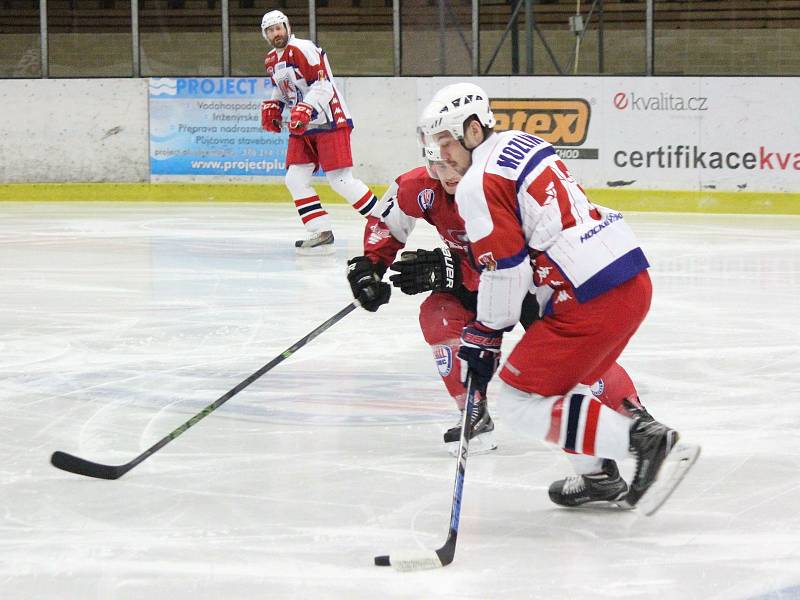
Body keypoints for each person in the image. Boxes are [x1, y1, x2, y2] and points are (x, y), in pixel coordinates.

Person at [416, 82, 700, 512]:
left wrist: (485, 334)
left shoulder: (477, 182)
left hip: (588, 296)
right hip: (628, 275)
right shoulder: (521, 142)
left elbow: (505, 269)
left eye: (446, 141)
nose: (442, 154)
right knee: (561, 387)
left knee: (516, 399)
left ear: (474, 130)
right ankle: (599, 476)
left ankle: (642, 441)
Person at [345, 134, 657, 508]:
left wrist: (453, 273)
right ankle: (472, 410)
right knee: (437, 314)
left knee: (571, 360)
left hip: (525, 282)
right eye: (437, 167)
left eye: (450, 165)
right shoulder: (419, 188)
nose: (446, 175)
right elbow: (387, 221)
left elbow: (510, 262)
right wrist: (370, 267)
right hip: (480, 278)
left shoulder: (490, 187)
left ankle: (631, 413)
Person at [259, 10, 379, 255]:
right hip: (302, 127)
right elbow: (283, 90)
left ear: (287, 27)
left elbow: (323, 84)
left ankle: (384, 220)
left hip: (329, 121)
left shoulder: (303, 48)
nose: (276, 33)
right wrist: (274, 107)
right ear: (265, 35)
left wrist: (306, 107)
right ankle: (321, 230)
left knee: (341, 180)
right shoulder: (271, 59)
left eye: (278, 28)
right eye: (270, 30)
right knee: (295, 179)